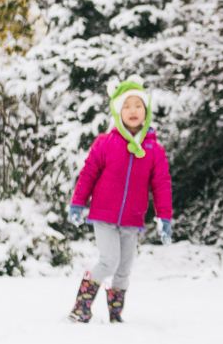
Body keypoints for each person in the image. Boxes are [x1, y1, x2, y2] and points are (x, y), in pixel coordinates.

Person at [66, 79, 174, 324]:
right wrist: (78, 203)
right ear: (117, 111)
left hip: (132, 219)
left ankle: (116, 315)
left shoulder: (154, 150)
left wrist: (164, 217)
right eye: (127, 106)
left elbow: (162, 185)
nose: (133, 110)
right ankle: (81, 307)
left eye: (138, 105)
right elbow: (88, 173)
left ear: (146, 112)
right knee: (109, 261)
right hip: (103, 216)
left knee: (124, 268)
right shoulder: (106, 142)